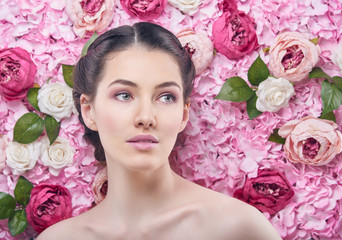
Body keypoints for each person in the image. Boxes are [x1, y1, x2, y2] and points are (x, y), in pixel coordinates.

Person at [37, 22, 281, 240]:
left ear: (183, 114)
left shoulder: (238, 228)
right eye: (124, 95)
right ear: (89, 111)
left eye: (166, 97)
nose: (146, 117)